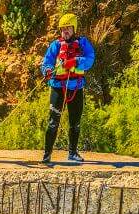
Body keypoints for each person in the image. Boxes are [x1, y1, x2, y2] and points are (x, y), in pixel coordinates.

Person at [40, 13, 95, 165]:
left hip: (76, 87)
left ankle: (72, 153)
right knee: (53, 122)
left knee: (75, 123)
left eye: (68, 28)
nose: (65, 31)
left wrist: (75, 61)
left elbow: (90, 59)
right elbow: (47, 62)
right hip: (58, 87)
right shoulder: (56, 45)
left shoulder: (83, 43)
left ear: (74, 29)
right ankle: (47, 154)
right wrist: (47, 70)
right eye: (63, 29)